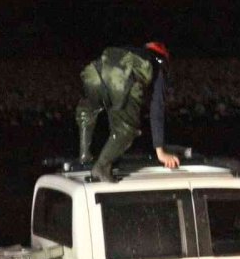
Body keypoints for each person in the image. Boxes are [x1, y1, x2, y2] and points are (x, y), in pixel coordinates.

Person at [76, 41, 180, 182]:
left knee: (88, 110)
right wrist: (160, 152)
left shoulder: (130, 52)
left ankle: (84, 155)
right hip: (119, 79)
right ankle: (102, 166)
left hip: (93, 71)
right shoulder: (157, 64)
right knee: (126, 130)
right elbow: (157, 109)